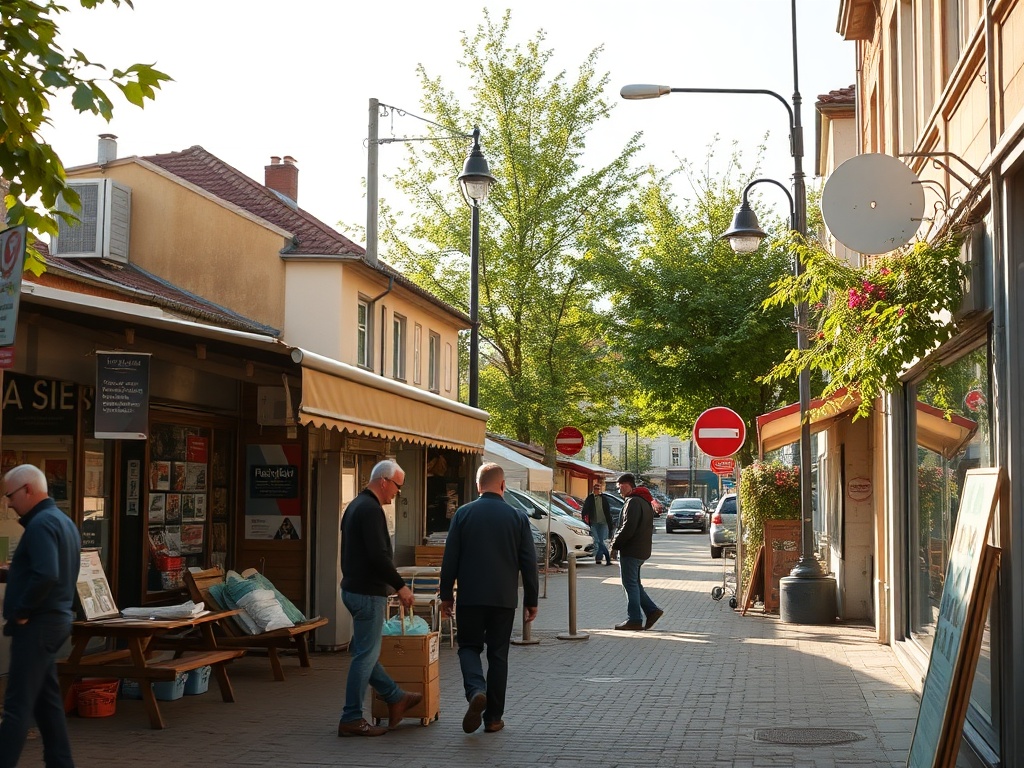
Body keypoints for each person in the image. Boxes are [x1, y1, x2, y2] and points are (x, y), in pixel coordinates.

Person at [440, 463, 539, 734]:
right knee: (498, 655)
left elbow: (450, 559)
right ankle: (493, 718)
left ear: (477, 486)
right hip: (503, 598)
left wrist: (446, 595)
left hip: (471, 596)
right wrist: (532, 599)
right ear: (503, 485)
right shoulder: (517, 518)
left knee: (468, 647)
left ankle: (475, 690)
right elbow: (528, 562)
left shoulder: (463, 514)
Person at [0, 464, 81, 768]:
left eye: (10, 495)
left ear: (28, 490)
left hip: (37, 625)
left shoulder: (41, 524)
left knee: (16, 707)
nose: (9, 503)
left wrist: (22, 611)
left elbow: (46, 573)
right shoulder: (63, 521)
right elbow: (48, 571)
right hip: (55, 622)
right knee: (48, 707)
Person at [337, 459, 422, 737]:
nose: (398, 492)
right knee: (364, 656)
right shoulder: (371, 510)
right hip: (367, 593)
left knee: (365, 653)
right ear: (384, 481)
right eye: (398, 486)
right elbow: (378, 556)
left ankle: (396, 697)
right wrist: (401, 586)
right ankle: (351, 717)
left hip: (353, 588)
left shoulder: (355, 506)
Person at [608, 473, 664, 631]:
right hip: (641, 550)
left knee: (629, 584)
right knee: (635, 584)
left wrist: (614, 544)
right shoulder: (644, 501)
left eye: (620, 488)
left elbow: (627, 527)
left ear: (627, 485)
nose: (619, 491)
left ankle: (634, 619)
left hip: (631, 550)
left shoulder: (632, 502)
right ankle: (652, 611)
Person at [580, 479, 614, 565]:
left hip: (603, 523)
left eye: (599, 489)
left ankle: (599, 558)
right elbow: (585, 509)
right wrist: (584, 518)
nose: (597, 490)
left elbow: (608, 511)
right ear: (593, 489)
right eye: (596, 488)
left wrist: (610, 524)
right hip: (594, 523)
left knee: (602, 541)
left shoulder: (604, 498)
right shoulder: (590, 498)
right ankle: (607, 558)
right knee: (597, 541)